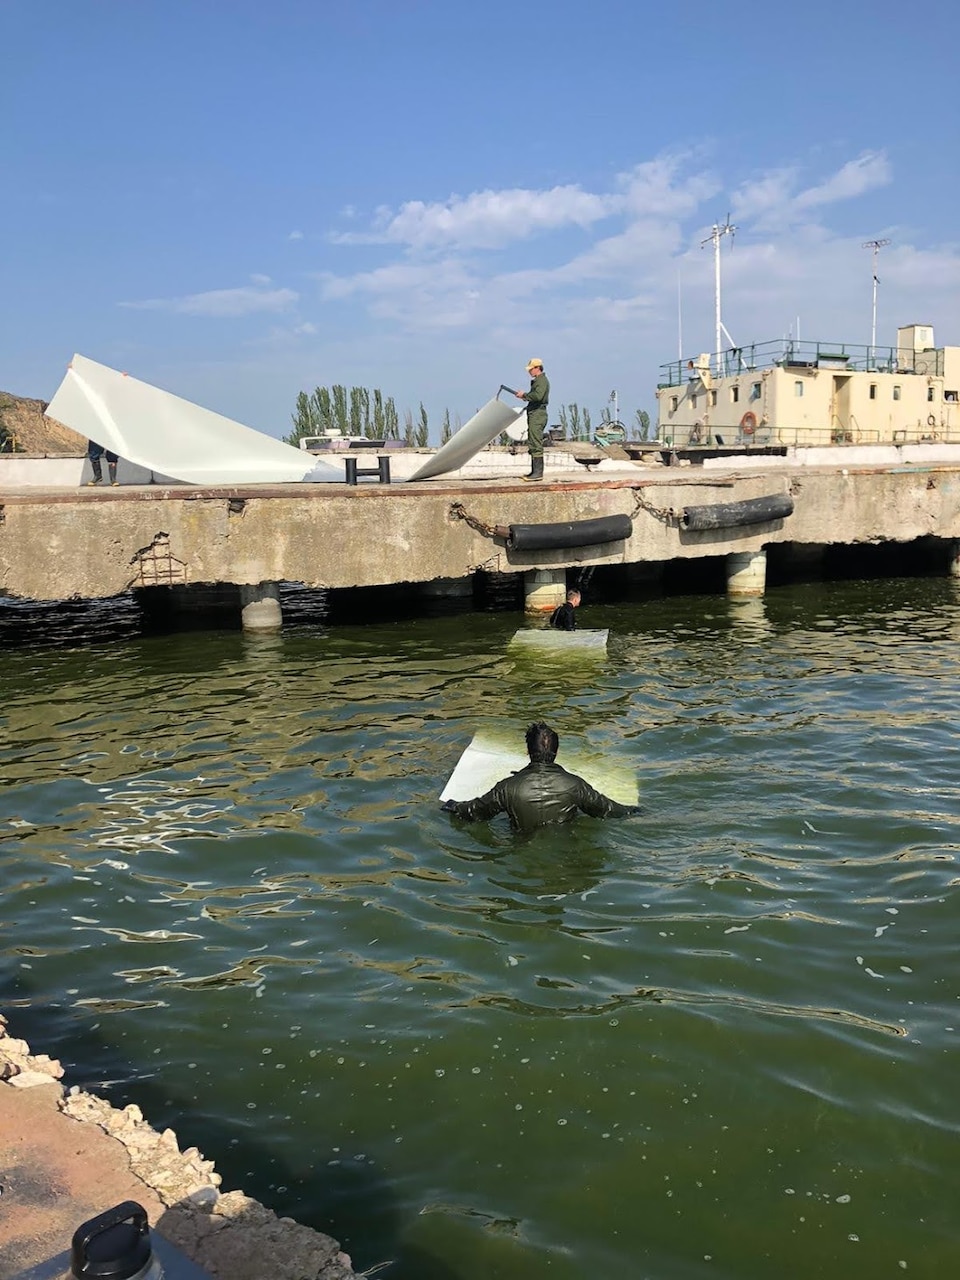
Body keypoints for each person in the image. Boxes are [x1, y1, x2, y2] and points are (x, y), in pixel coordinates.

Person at [441, 721, 641, 831]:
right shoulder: (575, 785)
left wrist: (452, 806)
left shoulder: (507, 788)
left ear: (528, 751)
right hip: (566, 848)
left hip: (521, 849)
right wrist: (636, 811)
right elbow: (608, 810)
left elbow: (475, 812)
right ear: (556, 752)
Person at [514, 358, 550, 482]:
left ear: (537, 368)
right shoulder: (538, 381)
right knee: (533, 440)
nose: (529, 371)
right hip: (535, 413)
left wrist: (524, 395)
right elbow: (535, 396)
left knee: (535, 441)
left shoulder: (542, 381)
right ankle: (535, 471)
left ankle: (538, 473)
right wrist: (525, 397)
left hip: (538, 414)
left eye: (531, 369)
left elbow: (538, 396)